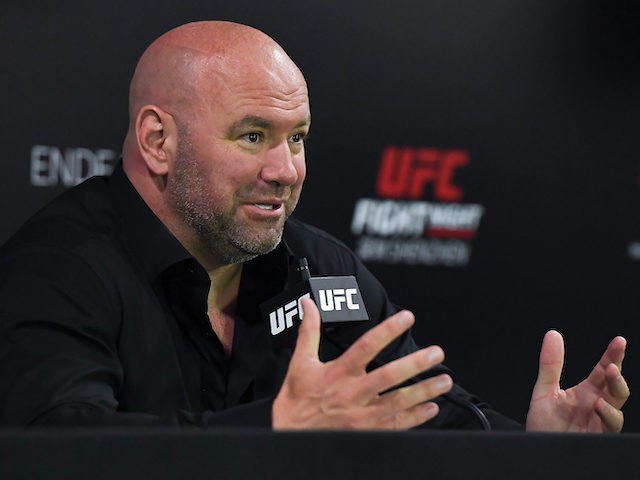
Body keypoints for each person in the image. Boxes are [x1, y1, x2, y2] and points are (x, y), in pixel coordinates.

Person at [0, 21, 629, 431]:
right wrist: (275, 427)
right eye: (253, 137)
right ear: (158, 141)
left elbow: (418, 406)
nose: (285, 170)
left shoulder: (317, 267)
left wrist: (536, 450)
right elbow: (60, 442)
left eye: (297, 139)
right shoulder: (58, 269)